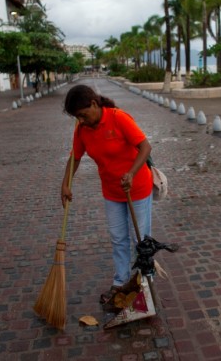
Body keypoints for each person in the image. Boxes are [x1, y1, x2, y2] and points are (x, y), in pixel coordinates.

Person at [61, 84, 153, 304]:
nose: (80, 120)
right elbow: (75, 157)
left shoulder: (118, 118)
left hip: (136, 188)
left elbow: (145, 147)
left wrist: (131, 173)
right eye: (77, 117)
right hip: (111, 191)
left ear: (94, 104)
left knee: (140, 239)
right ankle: (121, 282)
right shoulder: (82, 129)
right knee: (118, 239)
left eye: (82, 115)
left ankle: (145, 282)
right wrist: (65, 184)